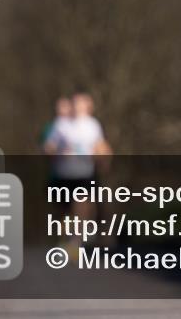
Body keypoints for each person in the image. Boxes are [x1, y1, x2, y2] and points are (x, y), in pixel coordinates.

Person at [43, 92, 112, 255]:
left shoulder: (92, 125)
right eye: (74, 103)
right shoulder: (61, 125)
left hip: (84, 172)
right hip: (63, 173)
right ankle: (65, 239)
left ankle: (76, 241)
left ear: (88, 107)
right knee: (65, 210)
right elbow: (48, 147)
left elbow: (101, 146)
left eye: (81, 104)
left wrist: (103, 158)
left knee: (81, 205)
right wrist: (58, 152)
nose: (76, 107)